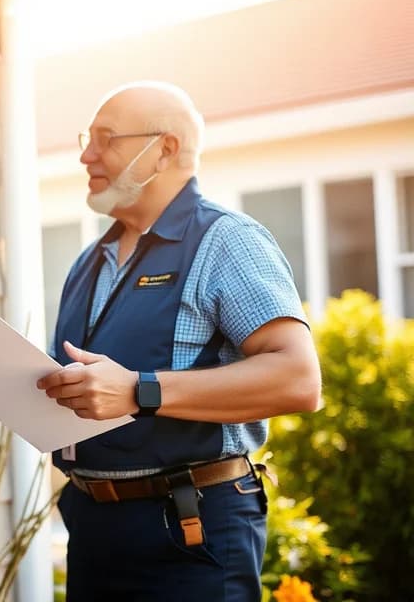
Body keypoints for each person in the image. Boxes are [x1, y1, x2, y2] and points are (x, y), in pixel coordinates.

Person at [36, 81, 321, 600]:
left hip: (189, 535)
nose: (85, 154)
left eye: (106, 139)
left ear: (164, 148)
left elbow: (298, 379)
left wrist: (140, 390)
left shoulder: (228, 241)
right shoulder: (88, 262)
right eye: (87, 138)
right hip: (93, 531)